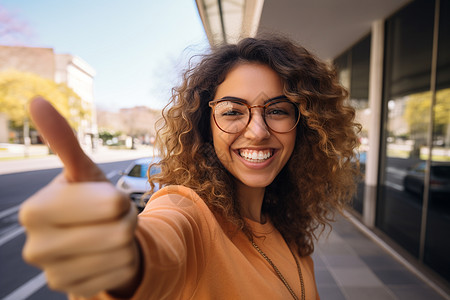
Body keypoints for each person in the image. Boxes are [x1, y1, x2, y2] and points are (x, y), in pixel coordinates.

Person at [19, 35, 361, 300]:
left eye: (277, 110)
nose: (257, 131)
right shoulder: (188, 211)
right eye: (232, 111)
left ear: (304, 127)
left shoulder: (290, 233)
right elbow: (157, 247)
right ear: (205, 127)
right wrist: (121, 258)